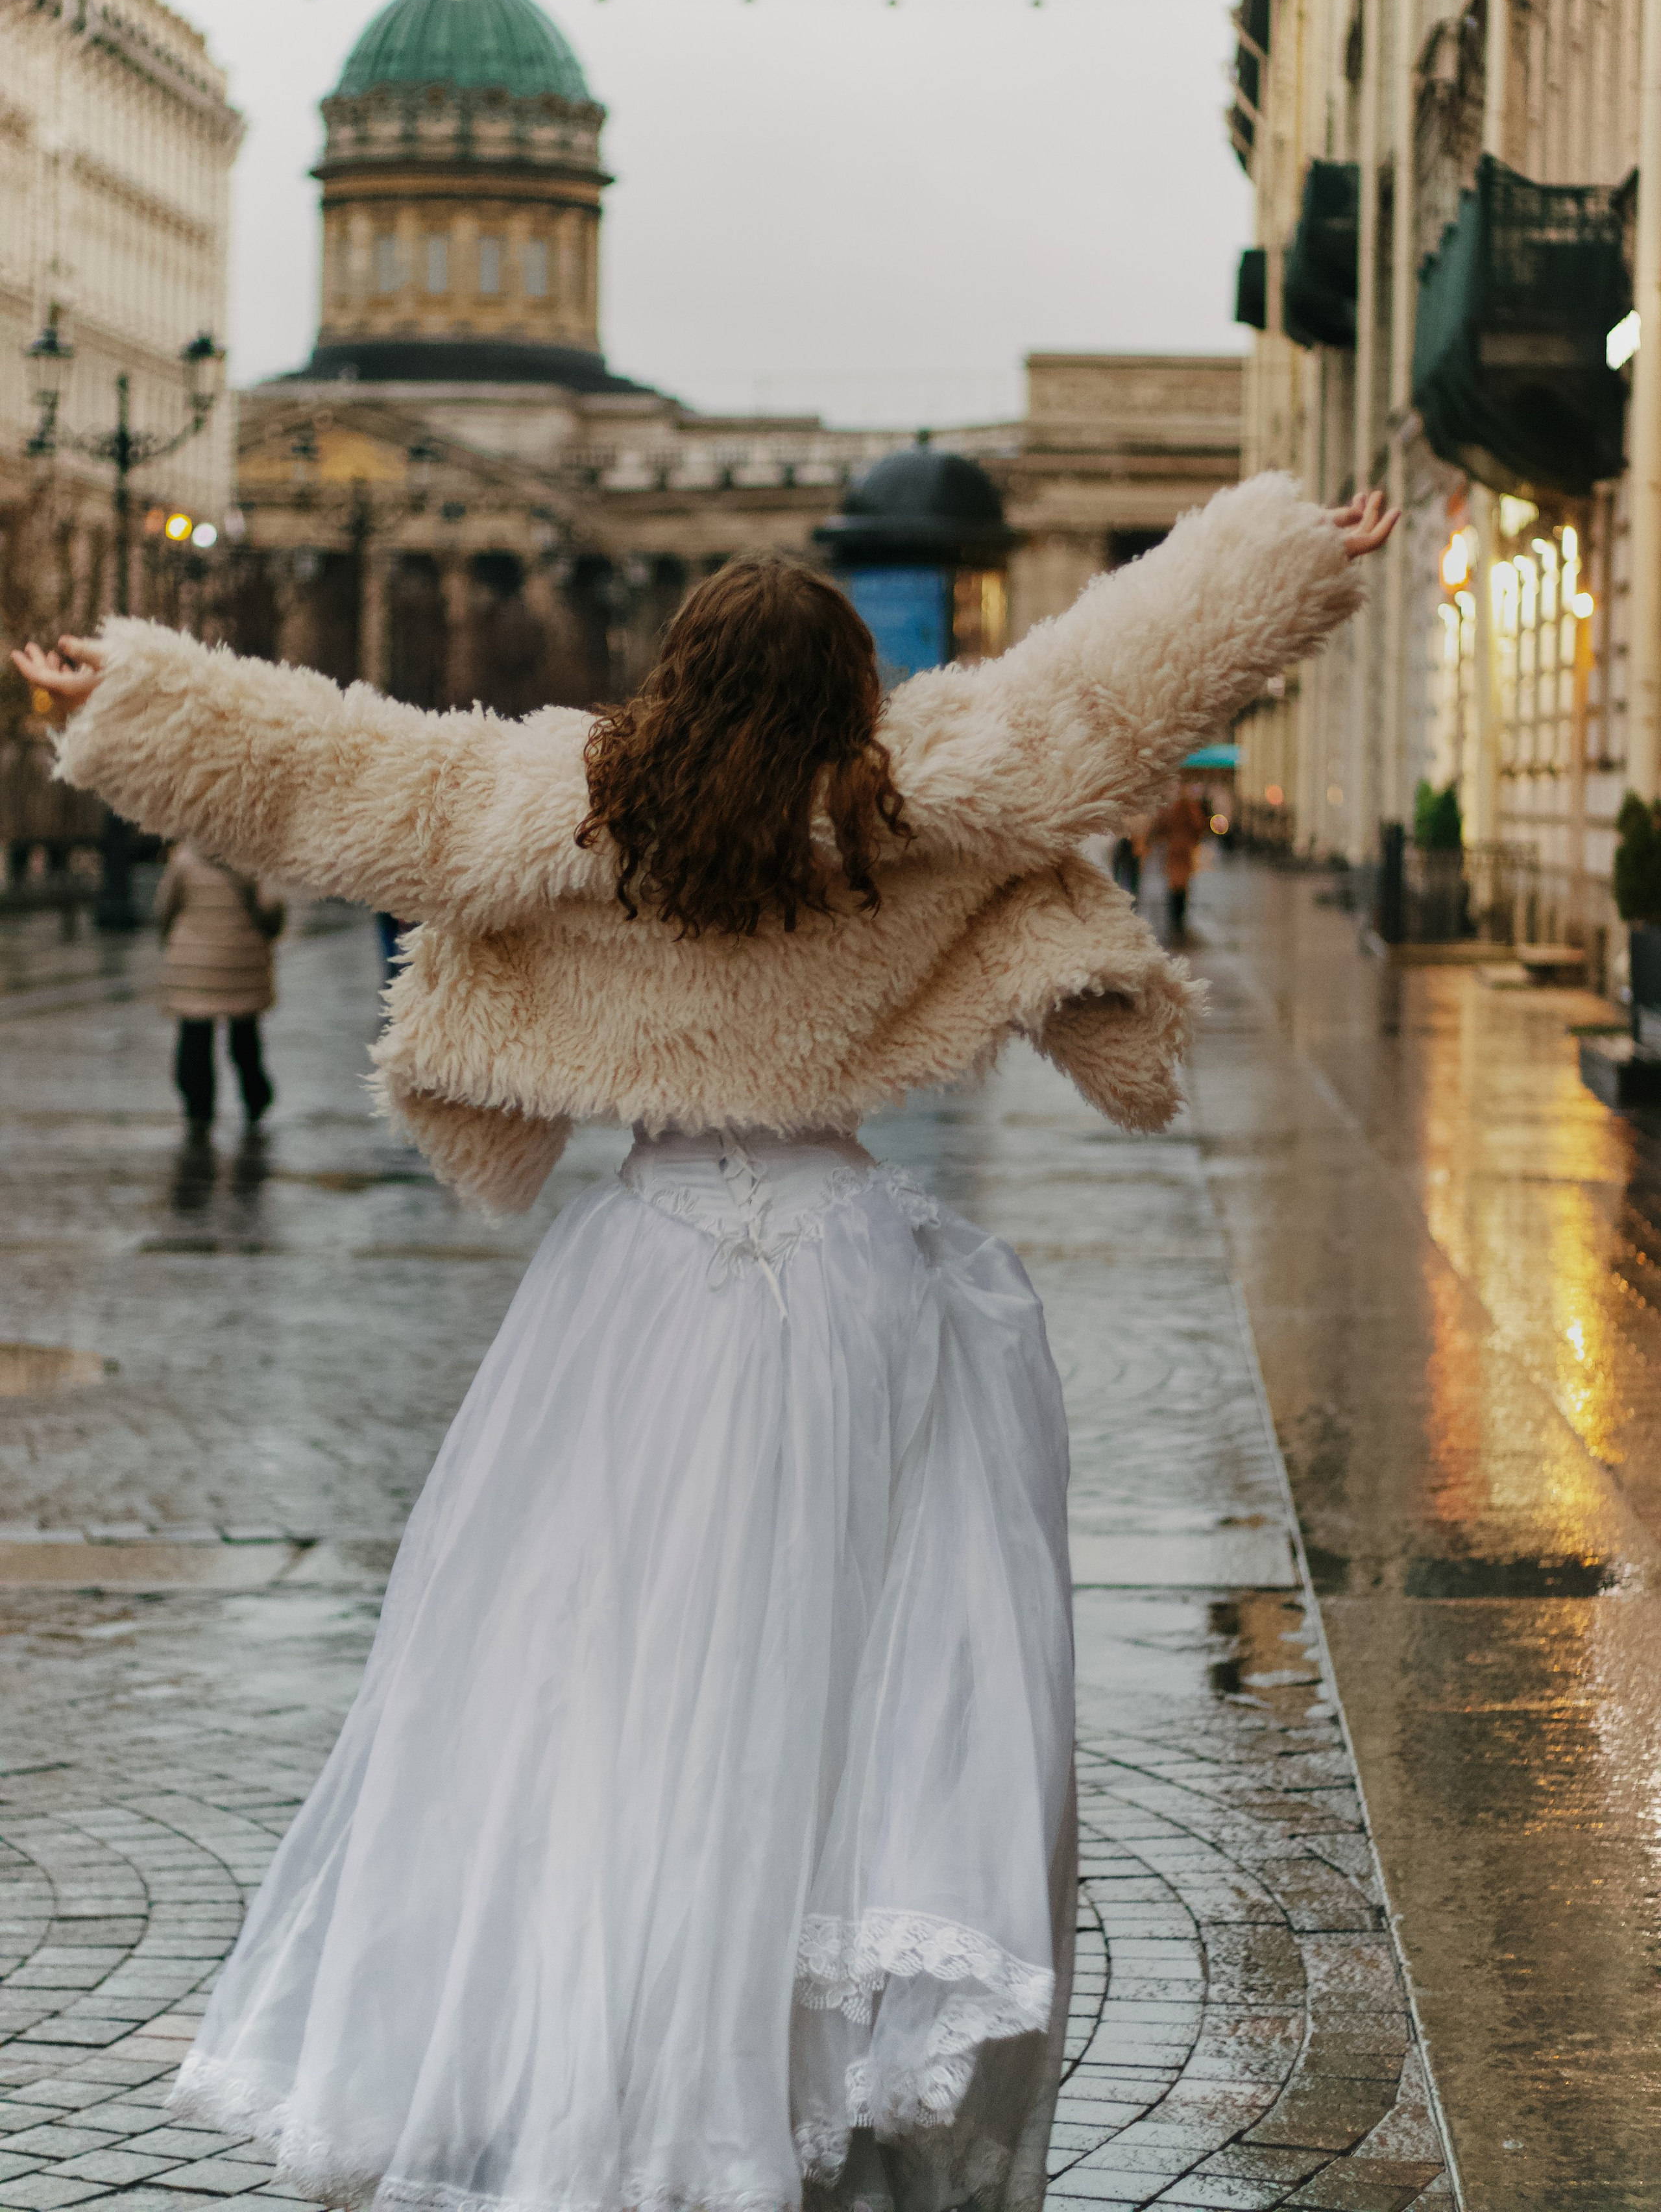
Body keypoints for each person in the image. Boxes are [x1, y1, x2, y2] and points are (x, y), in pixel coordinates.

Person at [12, 475, 1396, 2212]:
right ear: (850, 699)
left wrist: (125, 699)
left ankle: (638, 2051)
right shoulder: (921, 809)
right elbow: (1108, 693)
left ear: (673, 681)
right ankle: (803, 2055)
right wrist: (1283, 559)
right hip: (848, 1283)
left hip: (644, 1280)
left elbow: (337, 776)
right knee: (843, 1691)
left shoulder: (572, 812)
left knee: (601, 1682)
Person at [154, 841, 284, 1131]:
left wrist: (169, 943)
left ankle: (199, 1108)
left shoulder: (184, 859)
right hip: (241, 962)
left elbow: (165, 909)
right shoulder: (251, 860)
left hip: (194, 967)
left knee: (194, 1038)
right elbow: (270, 910)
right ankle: (255, 1096)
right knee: (245, 1039)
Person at [1148, 785, 1213, 941]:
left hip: (1174, 851)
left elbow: (1160, 828)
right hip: (1184, 852)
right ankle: (1179, 918)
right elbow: (1200, 827)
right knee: (1182, 885)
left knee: (1174, 884)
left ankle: (1174, 918)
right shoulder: (1191, 809)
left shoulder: (1172, 809)